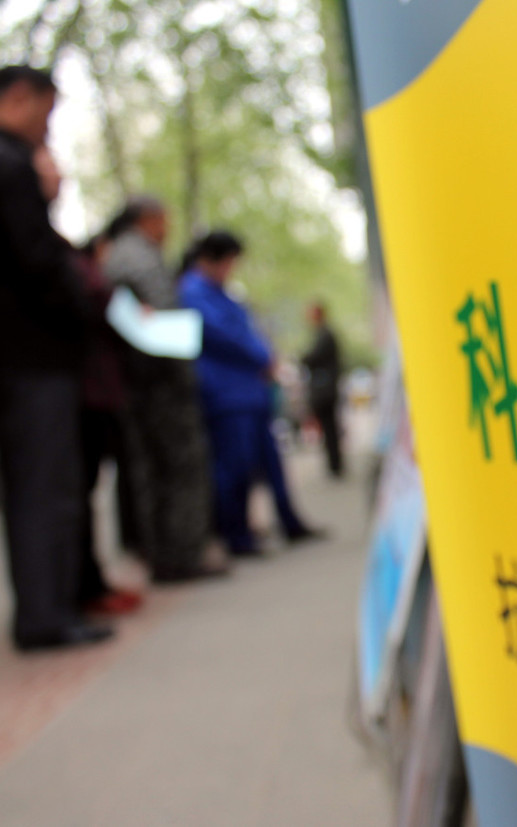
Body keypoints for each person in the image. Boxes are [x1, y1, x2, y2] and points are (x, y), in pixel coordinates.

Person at [0, 65, 113, 651]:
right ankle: (47, 614)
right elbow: (38, 263)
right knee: (46, 487)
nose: (47, 129)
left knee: (30, 485)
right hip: (31, 356)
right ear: (20, 98)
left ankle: (48, 607)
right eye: (47, 112)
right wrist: (83, 309)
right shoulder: (8, 165)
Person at [31, 146, 141, 615]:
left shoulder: (55, 244)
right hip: (77, 389)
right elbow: (87, 297)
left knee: (84, 490)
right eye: (49, 165)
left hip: (91, 388)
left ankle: (89, 583)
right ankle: (78, 590)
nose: (60, 174)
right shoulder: (50, 250)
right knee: (72, 493)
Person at [103, 197, 227, 583]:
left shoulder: (118, 255)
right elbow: (162, 313)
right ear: (150, 220)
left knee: (152, 471)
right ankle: (182, 554)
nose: (167, 230)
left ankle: (163, 554)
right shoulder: (137, 255)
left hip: (140, 384)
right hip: (160, 384)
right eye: (164, 221)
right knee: (177, 468)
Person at [178, 231, 321, 556]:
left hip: (249, 392)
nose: (231, 269)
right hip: (227, 395)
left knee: (271, 462)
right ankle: (237, 536)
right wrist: (263, 357)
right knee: (234, 467)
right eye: (229, 262)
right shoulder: (193, 292)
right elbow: (227, 337)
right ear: (210, 260)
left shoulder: (221, 293)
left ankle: (289, 523)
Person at [301, 302, 345, 478]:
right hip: (326, 390)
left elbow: (312, 357)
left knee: (330, 428)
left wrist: (303, 357)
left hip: (325, 391)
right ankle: (334, 465)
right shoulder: (322, 334)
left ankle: (335, 466)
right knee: (329, 428)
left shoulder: (325, 335)